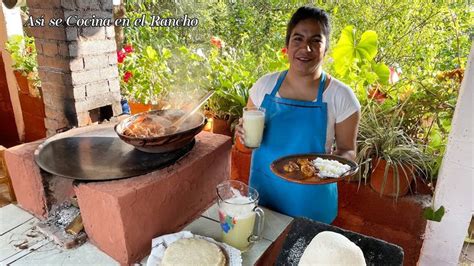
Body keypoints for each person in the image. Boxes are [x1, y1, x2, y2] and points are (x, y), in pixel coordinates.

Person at [235, 6, 360, 224]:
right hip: (264, 194)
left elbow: (347, 151)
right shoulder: (264, 86)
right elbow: (246, 146)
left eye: (315, 41)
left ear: (326, 48)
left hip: (312, 203)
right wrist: (242, 137)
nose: (306, 48)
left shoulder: (342, 97)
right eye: (298, 39)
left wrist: (332, 169)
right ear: (287, 45)